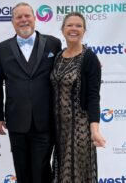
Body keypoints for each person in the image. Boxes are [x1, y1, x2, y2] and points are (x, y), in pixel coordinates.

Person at [0, 2, 62, 183]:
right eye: (18, 17)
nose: (23, 20)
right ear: (13, 22)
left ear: (34, 18)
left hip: (44, 120)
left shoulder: (53, 44)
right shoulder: (1, 48)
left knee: (41, 171)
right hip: (16, 121)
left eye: (27, 16)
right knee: (22, 172)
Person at [50, 12, 106, 183]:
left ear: (84, 31)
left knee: (77, 174)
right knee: (61, 173)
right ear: (62, 29)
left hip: (79, 128)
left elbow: (93, 96)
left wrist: (94, 130)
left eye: (78, 26)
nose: (73, 29)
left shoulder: (89, 58)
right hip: (59, 128)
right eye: (69, 25)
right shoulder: (58, 57)